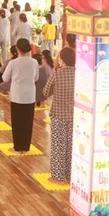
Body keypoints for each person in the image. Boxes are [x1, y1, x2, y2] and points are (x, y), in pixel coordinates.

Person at [42, 47, 75, 183]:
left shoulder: (57, 74)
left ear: (62, 59)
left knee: (58, 146)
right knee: (71, 146)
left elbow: (45, 92)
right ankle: (71, 174)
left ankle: (58, 177)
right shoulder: (80, 75)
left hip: (58, 114)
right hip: (75, 116)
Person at [2, 38, 39, 154]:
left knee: (17, 122)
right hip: (30, 95)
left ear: (17, 49)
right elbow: (36, 78)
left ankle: (18, 146)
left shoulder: (13, 63)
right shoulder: (34, 62)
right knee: (28, 122)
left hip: (17, 96)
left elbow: (4, 78)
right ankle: (26, 146)